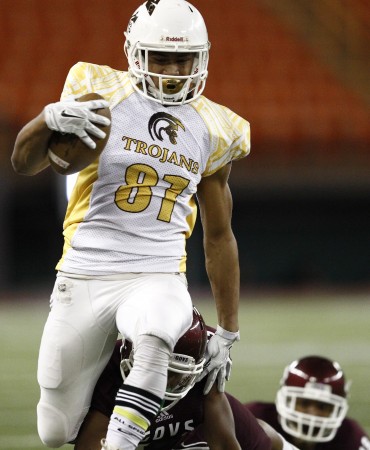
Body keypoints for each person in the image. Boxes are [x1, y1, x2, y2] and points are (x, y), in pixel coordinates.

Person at [11, 1, 250, 449]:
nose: (174, 70)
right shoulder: (96, 89)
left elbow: (219, 236)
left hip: (157, 270)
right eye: (161, 57)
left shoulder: (216, 126)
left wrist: (229, 330)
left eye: (185, 58)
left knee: (158, 332)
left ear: (203, 58)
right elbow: (23, 163)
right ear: (134, 53)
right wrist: (46, 119)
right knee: (54, 430)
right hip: (85, 269)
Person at [75, 307, 297, 450]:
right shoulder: (110, 368)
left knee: (266, 442)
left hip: (200, 428)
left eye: (175, 373)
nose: (163, 380)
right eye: (156, 366)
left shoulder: (208, 357)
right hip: (169, 437)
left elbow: (223, 443)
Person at [247, 356, 370, 450]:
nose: (313, 413)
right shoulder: (255, 417)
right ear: (287, 400)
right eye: (304, 403)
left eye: (322, 406)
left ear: (335, 409)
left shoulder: (351, 436)